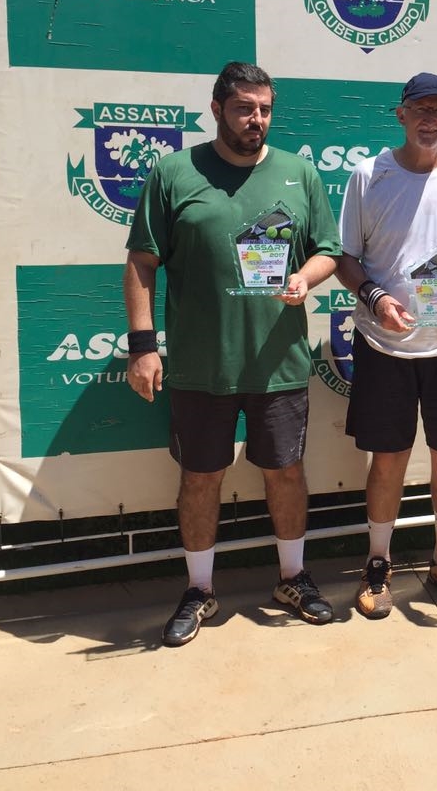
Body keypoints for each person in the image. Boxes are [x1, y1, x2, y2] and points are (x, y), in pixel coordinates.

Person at [125, 61, 342, 645]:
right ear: (217, 109)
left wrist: (305, 277)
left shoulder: (299, 173)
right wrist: (143, 346)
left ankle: (293, 578)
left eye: (265, 109)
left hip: (279, 362)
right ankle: (199, 589)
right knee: (200, 478)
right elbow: (142, 262)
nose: (256, 119)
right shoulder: (174, 172)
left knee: (286, 472)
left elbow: (328, 249)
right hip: (201, 364)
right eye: (245, 108)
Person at [336, 72, 437, 620]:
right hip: (384, 343)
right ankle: (377, 563)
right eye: (420, 109)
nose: (430, 119)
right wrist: (377, 297)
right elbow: (345, 258)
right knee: (388, 458)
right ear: (401, 115)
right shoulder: (369, 175)